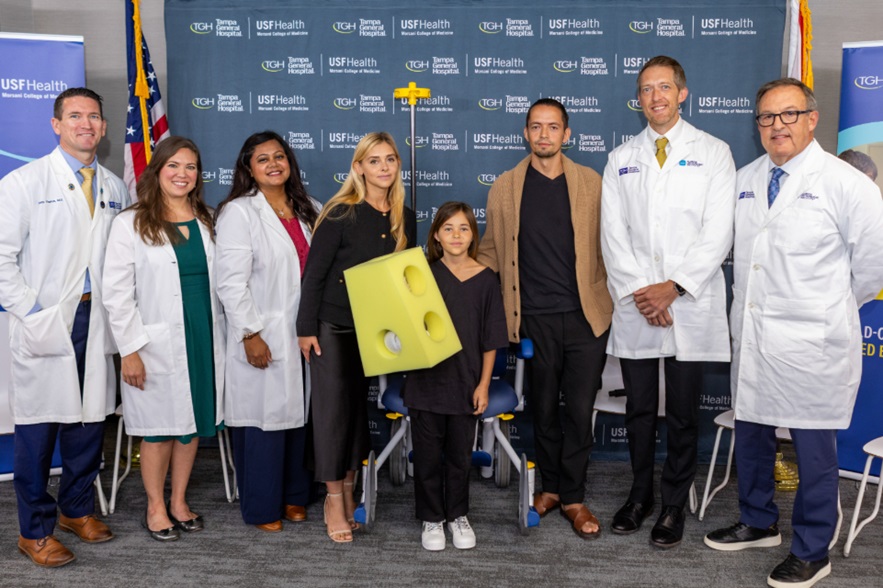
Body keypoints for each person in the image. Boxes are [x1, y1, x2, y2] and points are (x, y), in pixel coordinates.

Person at [704, 78, 883, 588]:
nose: (776, 125)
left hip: (813, 341)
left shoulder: (849, 185)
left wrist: (824, 307)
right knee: (753, 430)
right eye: (766, 117)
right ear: (757, 124)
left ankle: (812, 549)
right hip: (755, 334)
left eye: (788, 114)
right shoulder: (745, 178)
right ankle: (758, 520)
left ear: (812, 118)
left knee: (813, 449)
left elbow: (870, 268)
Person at [600, 55, 735, 548]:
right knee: (639, 409)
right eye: (645, 89)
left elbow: (718, 233)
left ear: (683, 93)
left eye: (664, 87)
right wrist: (645, 293)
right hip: (639, 305)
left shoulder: (714, 152)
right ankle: (640, 496)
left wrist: (673, 287)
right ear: (638, 100)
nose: (655, 96)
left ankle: (674, 504)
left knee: (681, 412)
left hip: (688, 304)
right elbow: (613, 236)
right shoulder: (621, 158)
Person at [0, 88, 127, 567]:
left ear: (104, 126)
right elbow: (1, 258)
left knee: (90, 421)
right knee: (38, 430)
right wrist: (33, 313)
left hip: (98, 320)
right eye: (75, 116)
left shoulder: (115, 186)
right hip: (48, 320)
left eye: (94, 116)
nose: (86, 124)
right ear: (56, 124)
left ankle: (76, 509)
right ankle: (34, 531)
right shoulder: (23, 182)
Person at [478, 98, 611, 540]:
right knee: (542, 409)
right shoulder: (505, 188)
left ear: (566, 135)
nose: (544, 135)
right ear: (526, 133)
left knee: (578, 409)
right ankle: (550, 488)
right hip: (532, 319)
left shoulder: (591, 183)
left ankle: (573, 496)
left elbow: (612, 245)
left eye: (553, 127)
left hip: (585, 317)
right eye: (536, 127)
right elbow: (491, 252)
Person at [103, 136, 225, 542]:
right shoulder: (131, 223)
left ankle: (178, 501)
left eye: (190, 167)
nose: (182, 174)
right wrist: (131, 352)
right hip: (151, 341)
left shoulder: (207, 219)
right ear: (157, 170)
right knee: (158, 429)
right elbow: (117, 295)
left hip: (203, 334)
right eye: (174, 165)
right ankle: (155, 506)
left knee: (190, 424)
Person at [297, 132, 416, 543]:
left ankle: (348, 489)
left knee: (354, 417)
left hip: (373, 333)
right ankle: (332, 500)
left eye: (390, 159)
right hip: (331, 327)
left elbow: (405, 283)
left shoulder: (405, 216)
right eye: (374, 160)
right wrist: (305, 328)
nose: (383, 167)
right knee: (331, 416)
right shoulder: (339, 213)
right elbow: (313, 276)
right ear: (359, 167)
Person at [215, 131, 319, 532]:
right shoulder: (240, 213)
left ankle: (295, 495)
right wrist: (249, 333)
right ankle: (261, 507)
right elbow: (229, 282)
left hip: (305, 331)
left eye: (280, 156)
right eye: (263, 159)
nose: (273, 163)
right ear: (248, 168)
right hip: (263, 330)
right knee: (263, 422)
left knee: (298, 417)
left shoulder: (309, 207)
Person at [403, 202, 508, 551]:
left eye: (464, 228)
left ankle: (457, 515)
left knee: (460, 457)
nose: (456, 235)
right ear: (436, 235)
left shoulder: (487, 280)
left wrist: (483, 385)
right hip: (426, 384)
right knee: (429, 457)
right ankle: (432, 518)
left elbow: (491, 340)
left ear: (472, 235)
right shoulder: (421, 277)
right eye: (448, 228)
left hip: (466, 384)